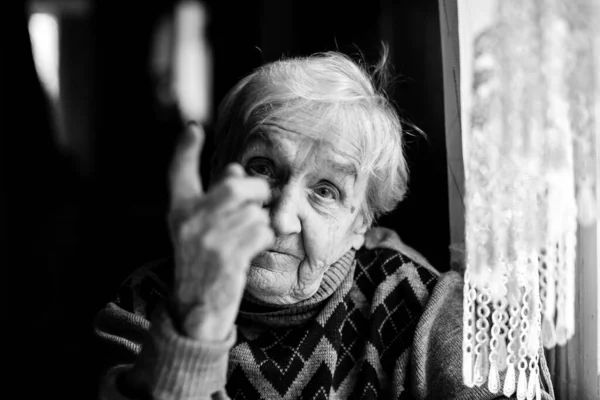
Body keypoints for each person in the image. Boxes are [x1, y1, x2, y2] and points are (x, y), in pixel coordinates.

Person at [94, 49, 555, 400]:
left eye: (326, 191)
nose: (280, 219)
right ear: (218, 173)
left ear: (361, 223)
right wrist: (198, 321)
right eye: (262, 168)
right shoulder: (144, 305)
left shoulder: (423, 310)